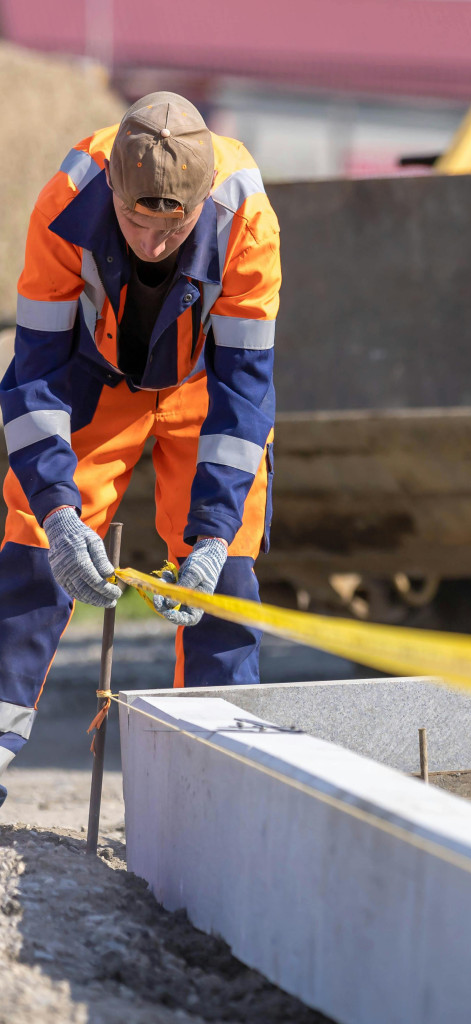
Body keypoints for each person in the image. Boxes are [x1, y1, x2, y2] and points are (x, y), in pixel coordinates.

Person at [0, 92, 279, 803]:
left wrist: (212, 536)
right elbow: (33, 375)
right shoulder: (66, 204)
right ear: (114, 194)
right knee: (31, 552)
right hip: (95, 377)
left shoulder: (246, 219)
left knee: (227, 578)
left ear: (200, 203)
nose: (151, 244)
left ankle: (219, 794)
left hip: (201, 385)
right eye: (133, 222)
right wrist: (61, 516)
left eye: (171, 227)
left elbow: (244, 392)